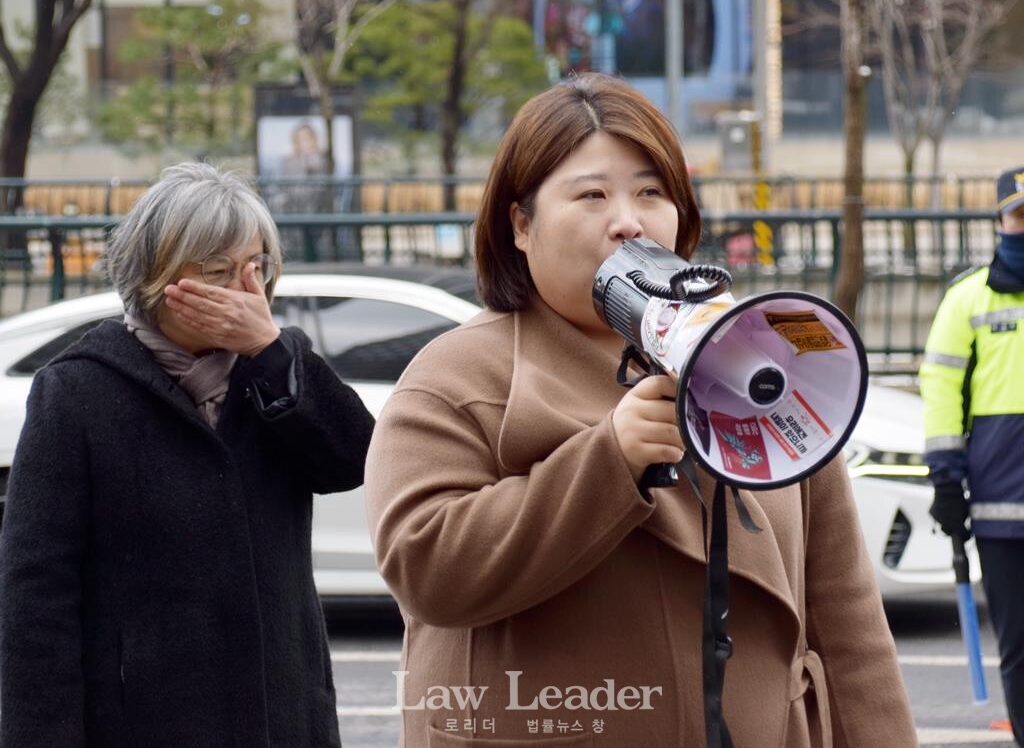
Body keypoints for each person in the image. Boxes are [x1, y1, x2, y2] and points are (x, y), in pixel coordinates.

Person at [364, 73, 917, 747]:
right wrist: (608, 462)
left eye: (651, 192)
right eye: (592, 194)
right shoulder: (459, 375)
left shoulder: (758, 360)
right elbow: (426, 568)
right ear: (521, 225)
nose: (628, 220)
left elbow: (846, 615)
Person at [0, 162, 375, 748]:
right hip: (140, 720)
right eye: (218, 271)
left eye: (256, 267)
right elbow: (35, 594)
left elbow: (352, 461)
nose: (244, 289)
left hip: (282, 714)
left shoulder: (275, 368)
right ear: (155, 275)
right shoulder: (76, 390)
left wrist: (269, 351)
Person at [920, 165, 1024, 743]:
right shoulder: (967, 300)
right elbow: (940, 392)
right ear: (1000, 222)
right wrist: (945, 481)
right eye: (1020, 215)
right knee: (1020, 648)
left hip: (999, 503)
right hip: (1003, 509)